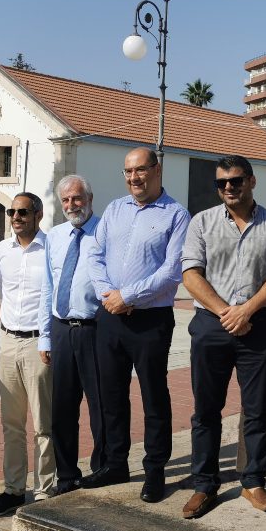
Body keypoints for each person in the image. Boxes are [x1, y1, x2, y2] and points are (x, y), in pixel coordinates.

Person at [179, 155, 266, 520]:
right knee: (206, 410)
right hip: (213, 325)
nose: (229, 187)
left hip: (256, 325)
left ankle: (253, 481)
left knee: (258, 409)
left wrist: (246, 311)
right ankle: (204, 485)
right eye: (222, 182)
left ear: (252, 181)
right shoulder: (202, 222)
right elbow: (191, 275)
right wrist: (227, 312)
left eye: (236, 180)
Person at [83, 147, 190, 503]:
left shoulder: (176, 215)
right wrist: (108, 294)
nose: (133, 178)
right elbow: (94, 256)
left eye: (140, 171)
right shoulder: (114, 209)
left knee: (153, 396)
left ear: (157, 170)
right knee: (110, 394)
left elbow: (171, 271)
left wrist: (127, 295)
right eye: (128, 172)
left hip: (150, 320)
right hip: (110, 316)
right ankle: (115, 463)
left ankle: (155, 469)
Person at [0, 192, 53, 518]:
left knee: (44, 424)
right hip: (7, 342)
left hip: (40, 345)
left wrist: (49, 340)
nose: (16, 216)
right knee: (11, 423)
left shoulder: (52, 249)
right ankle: (13, 489)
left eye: (23, 211)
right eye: (12, 211)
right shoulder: (1, 250)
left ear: (38, 215)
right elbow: (4, 295)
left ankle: (44, 493)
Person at [38, 174, 105, 496]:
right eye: (65, 200)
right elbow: (48, 287)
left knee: (100, 406)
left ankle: (102, 468)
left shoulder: (105, 232)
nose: (71, 205)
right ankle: (66, 475)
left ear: (90, 198)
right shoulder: (55, 235)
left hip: (95, 330)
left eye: (77, 198)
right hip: (62, 329)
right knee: (62, 409)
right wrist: (45, 337)